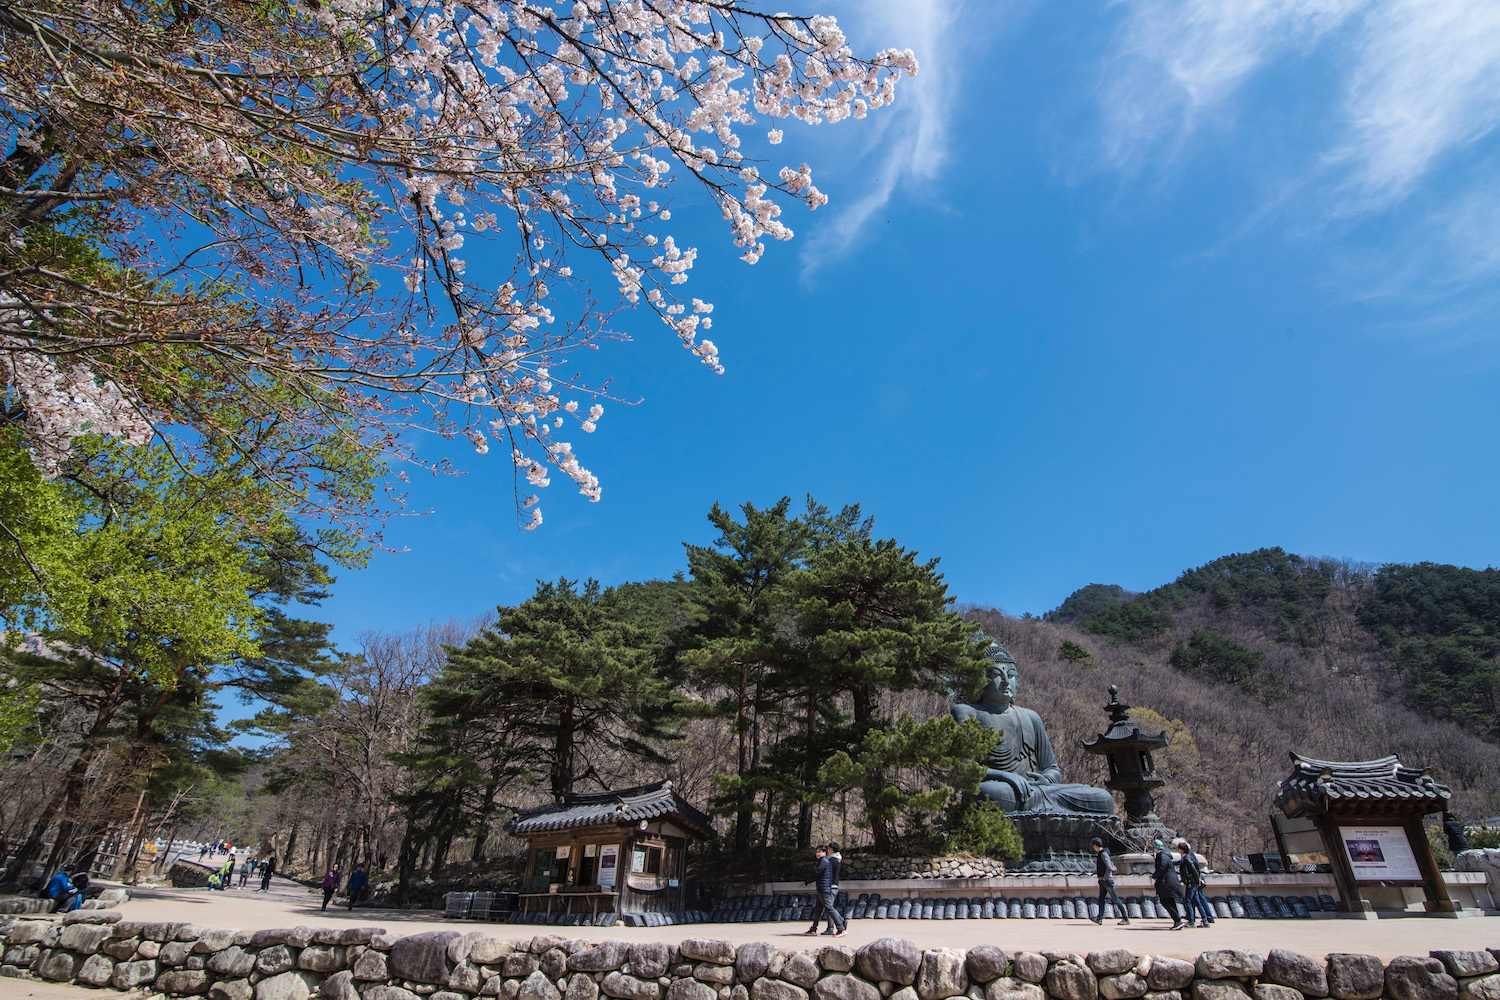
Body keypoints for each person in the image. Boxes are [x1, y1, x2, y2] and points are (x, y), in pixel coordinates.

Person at [951, 640, 1115, 814]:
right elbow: (966, 769)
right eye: (996, 674)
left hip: (1038, 791)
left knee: (1102, 798)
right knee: (987, 794)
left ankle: (1043, 807)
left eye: (1012, 675)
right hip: (1003, 792)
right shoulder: (967, 712)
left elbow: (1052, 768)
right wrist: (1005, 776)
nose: (1006, 681)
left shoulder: (1030, 717)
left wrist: (1047, 780)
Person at [801, 846, 846, 937]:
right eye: (816, 852)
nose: (817, 853)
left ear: (824, 852)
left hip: (824, 889)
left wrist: (808, 881)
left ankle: (841, 927)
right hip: (823, 888)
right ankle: (813, 929)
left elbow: (818, 873)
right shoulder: (825, 861)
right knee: (818, 909)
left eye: (819, 852)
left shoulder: (824, 862)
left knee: (829, 908)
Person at [1174, 838, 1214, 928]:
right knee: (1197, 901)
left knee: (1188, 901)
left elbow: (1194, 870)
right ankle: (1205, 920)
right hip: (1193, 882)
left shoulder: (1187, 858)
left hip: (1191, 882)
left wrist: (1197, 880)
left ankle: (1191, 921)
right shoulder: (1187, 857)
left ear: (1181, 849)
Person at [1089, 838, 1129, 925]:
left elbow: (1109, 867)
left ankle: (1126, 918)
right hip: (1103, 881)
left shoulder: (1103, 854)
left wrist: (1105, 877)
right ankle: (1099, 918)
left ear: (1095, 846)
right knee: (1101, 899)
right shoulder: (1101, 854)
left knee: (1116, 899)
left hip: (1107, 881)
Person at [1152, 838, 1186, 930]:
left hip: (1167, 882)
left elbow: (1162, 868)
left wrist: (1154, 875)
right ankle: (1177, 921)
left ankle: (1177, 920)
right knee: (1170, 901)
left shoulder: (1162, 856)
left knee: (1165, 901)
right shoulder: (1165, 855)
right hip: (1168, 882)